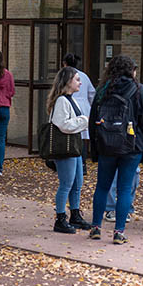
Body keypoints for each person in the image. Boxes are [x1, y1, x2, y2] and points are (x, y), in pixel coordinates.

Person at [88, 55, 143, 244]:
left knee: (102, 187)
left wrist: (95, 148)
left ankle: (96, 228)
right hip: (131, 147)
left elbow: (93, 121)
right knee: (124, 189)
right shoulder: (139, 91)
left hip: (106, 145)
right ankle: (119, 232)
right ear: (131, 70)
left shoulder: (102, 90)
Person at [46, 66, 91, 234]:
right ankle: (60, 218)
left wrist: (81, 121)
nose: (80, 82)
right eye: (77, 79)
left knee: (77, 183)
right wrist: (84, 121)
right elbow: (63, 125)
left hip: (74, 146)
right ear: (67, 81)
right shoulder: (62, 101)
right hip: (65, 148)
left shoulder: (71, 99)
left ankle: (75, 214)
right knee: (66, 184)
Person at [62, 53, 95, 174]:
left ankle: (75, 164)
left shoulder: (65, 76)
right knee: (83, 138)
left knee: (74, 137)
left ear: (64, 63)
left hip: (72, 107)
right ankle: (83, 164)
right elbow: (92, 93)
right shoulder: (84, 76)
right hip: (85, 108)